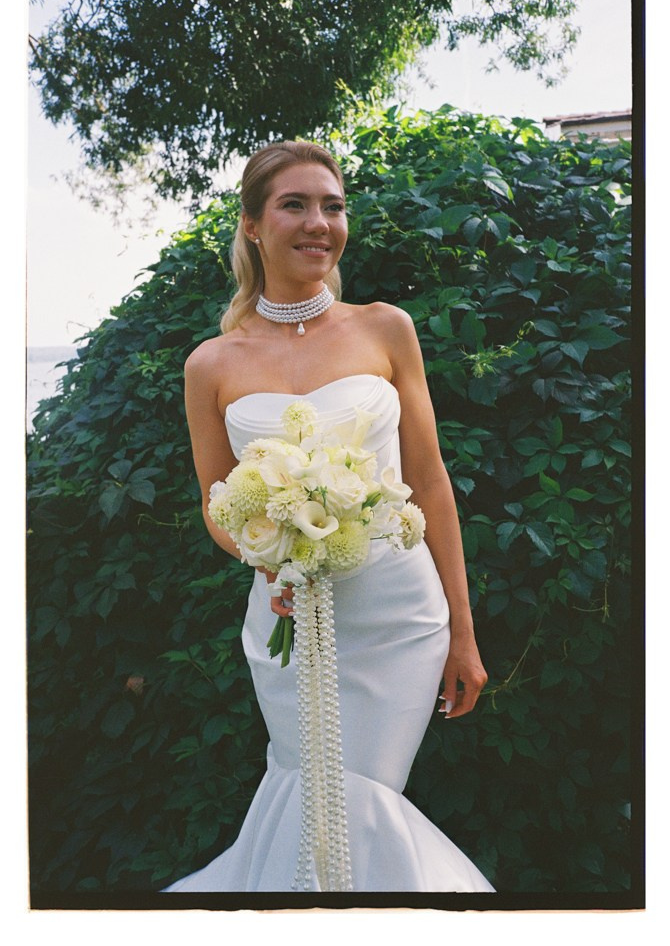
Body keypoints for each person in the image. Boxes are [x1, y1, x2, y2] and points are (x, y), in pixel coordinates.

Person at [163, 140, 494, 893]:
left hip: (399, 615)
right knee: (312, 791)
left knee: (361, 796)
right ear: (252, 225)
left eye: (333, 205)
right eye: (295, 205)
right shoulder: (210, 364)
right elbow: (217, 504)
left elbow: (431, 483)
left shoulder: (386, 329)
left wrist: (464, 633)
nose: (320, 222)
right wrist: (267, 556)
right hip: (287, 613)